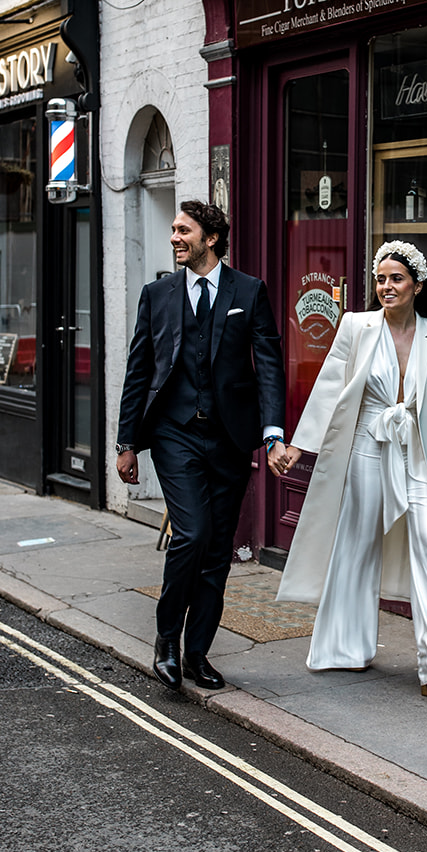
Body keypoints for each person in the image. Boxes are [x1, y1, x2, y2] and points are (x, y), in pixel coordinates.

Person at [274, 240, 427, 704]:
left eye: (396, 278)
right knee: (355, 544)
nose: (386, 287)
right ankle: (343, 647)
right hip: (367, 449)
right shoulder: (356, 326)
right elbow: (330, 386)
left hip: (419, 452)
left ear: (416, 284)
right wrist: (298, 445)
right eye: (380, 279)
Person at [116, 200, 287, 691]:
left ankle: (197, 654)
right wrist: (128, 442)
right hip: (175, 434)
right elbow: (139, 371)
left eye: (182, 230)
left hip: (231, 439)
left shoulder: (249, 291)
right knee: (191, 534)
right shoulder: (158, 294)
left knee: (217, 551)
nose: (174, 237)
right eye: (172, 229)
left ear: (210, 238)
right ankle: (166, 640)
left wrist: (272, 433)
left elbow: (270, 367)